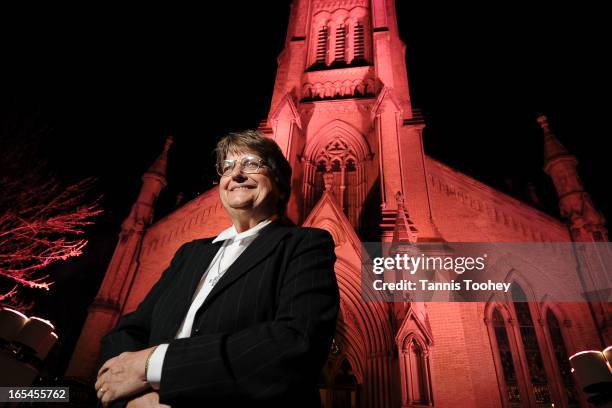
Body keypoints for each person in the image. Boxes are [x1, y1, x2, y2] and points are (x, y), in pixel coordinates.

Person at [95, 130, 339, 407]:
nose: (236, 174)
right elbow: (125, 333)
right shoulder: (190, 253)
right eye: (227, 167)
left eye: (251, 164)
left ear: (281, 185)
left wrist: (154, 363)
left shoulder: (305, 244)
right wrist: (131, 402)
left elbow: (295, 344)